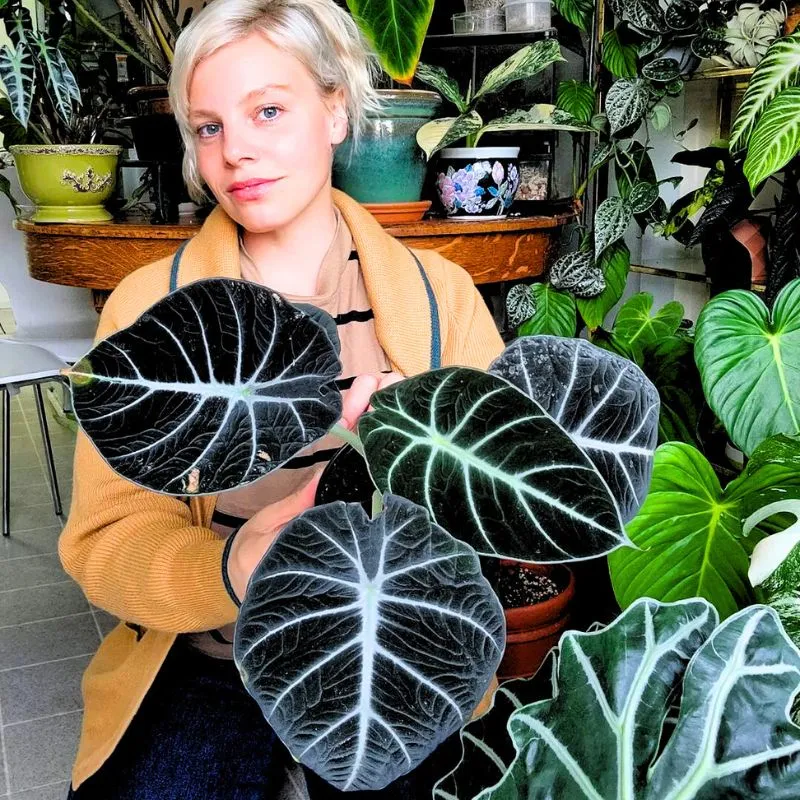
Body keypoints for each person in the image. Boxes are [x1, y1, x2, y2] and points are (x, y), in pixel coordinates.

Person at [60, 0, 504, 797]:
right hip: (209, 654)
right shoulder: (150, 309)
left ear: (335, 109)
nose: (236, 153)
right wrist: (230, 564)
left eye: (268, 109)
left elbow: (501, 503)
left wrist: (425, 447)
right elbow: (103, 542)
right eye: (208, 127)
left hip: (388, 644)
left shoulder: (440, 298)